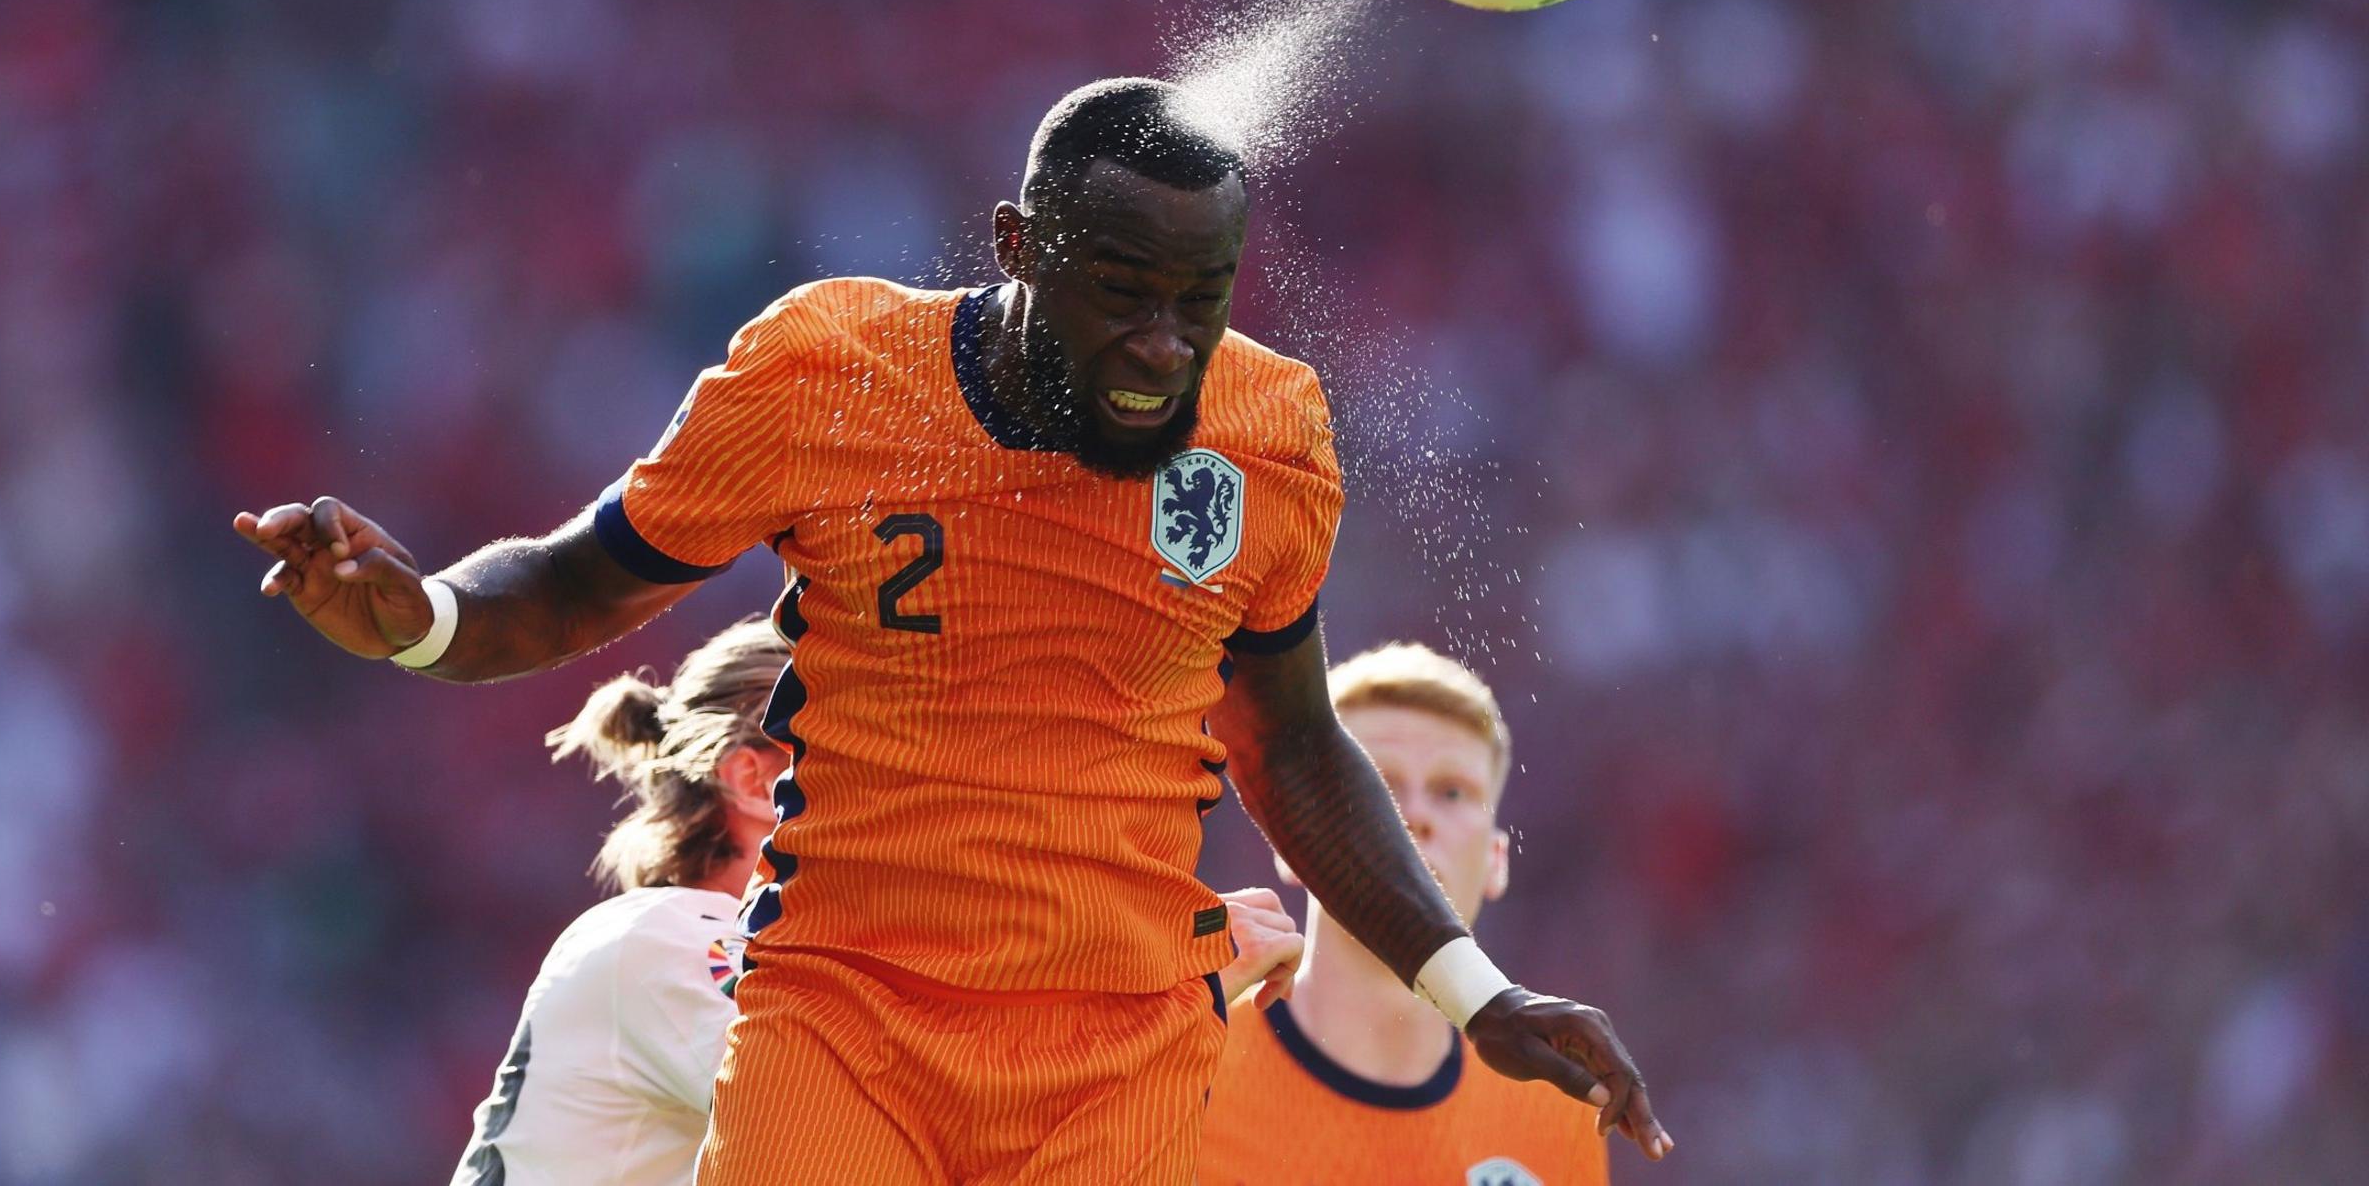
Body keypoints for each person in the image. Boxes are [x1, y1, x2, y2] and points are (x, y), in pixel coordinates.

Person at [235, 77, 1670, 1183]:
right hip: (845, 1020)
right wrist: (419, 616)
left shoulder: (1269, 433)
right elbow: (571, 580)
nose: (1168, 344)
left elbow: (1290, 743)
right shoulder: (829, 373)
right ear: (1019, 245)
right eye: (1123, 294)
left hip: (1114, 1058)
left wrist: (1473, 989)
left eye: (1201, 300)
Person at [450, 614, 1305, 1185]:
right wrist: (1166, 983)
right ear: (752, 781)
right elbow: (916, 1135)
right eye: (875, 741)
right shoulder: (667, 936)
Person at [1198, 641, 1608, 1186]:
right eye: (1379, 787)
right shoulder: (1186, 1065)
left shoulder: (1557, 1107)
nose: (1413, 816)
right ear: (1291, 839)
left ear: (1496, 861)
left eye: (1452, 792)